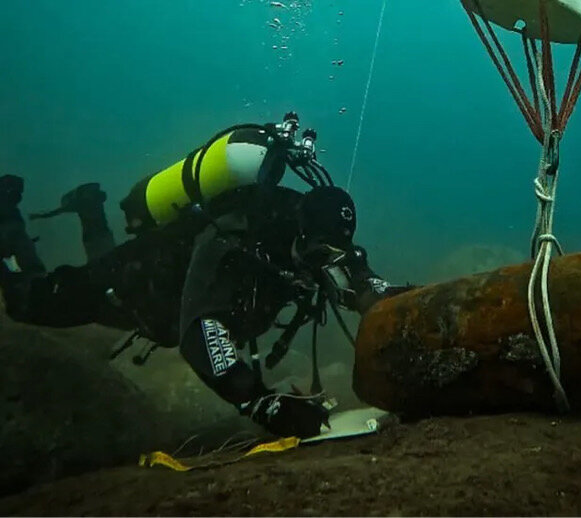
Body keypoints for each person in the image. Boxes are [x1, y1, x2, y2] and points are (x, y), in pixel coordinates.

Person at [0, 113, 410, 439]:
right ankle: (8, 222)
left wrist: (402, 301)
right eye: (320, 255)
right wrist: (261, 402)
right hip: (138, 286)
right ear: (297, 233)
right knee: (28, 304)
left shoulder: (320, 230)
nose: (325, 266)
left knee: (99, 272)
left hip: (165, 310)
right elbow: (200, 332)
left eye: (335, 255)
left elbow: (362, 276)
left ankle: (89, 208)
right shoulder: (233, 238)